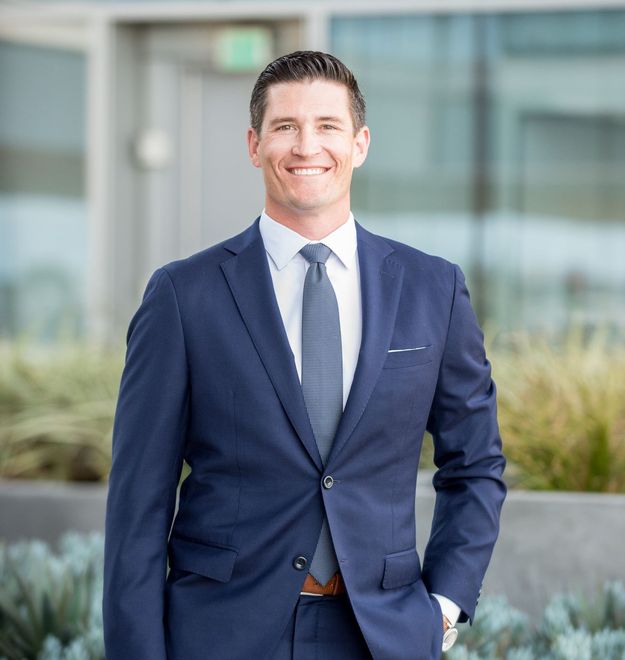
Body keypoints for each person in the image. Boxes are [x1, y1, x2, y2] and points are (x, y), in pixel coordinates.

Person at [102, 50, 506, 660]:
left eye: (327, 126)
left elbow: (475, 466)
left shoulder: (433, 289)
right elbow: (139, 501)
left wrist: (443, 610)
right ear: (254, 144)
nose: (305, 145)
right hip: (222, 633)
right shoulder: (184, 296)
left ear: (361, 143)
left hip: (380, 634)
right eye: (285, 127)